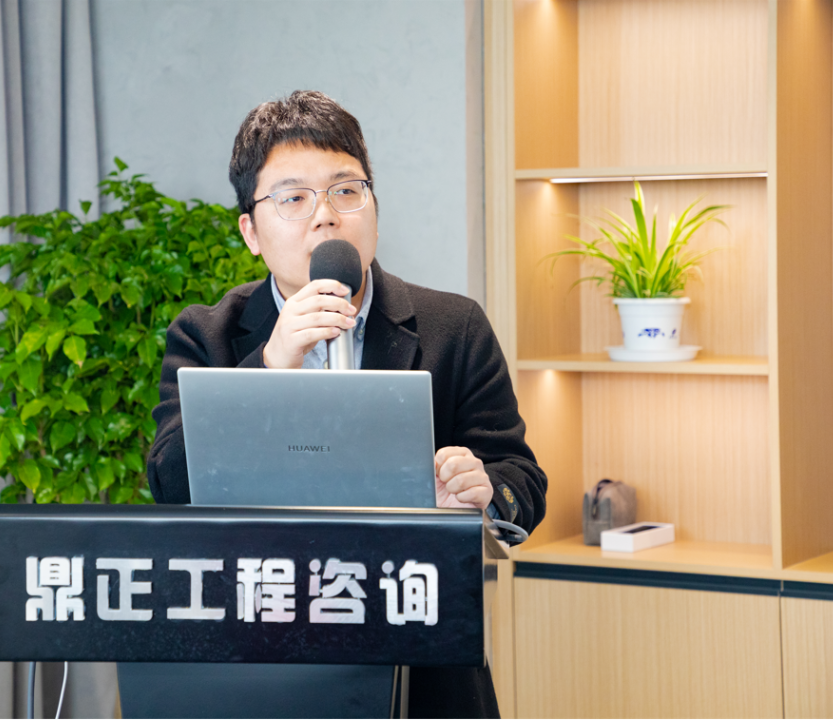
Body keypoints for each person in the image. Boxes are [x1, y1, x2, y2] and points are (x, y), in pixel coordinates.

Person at [147, 90, 547, 718]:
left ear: (375, 213)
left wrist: (484, 491)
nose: (325, 217)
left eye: (346, 190)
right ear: (251, 232)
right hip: (258, 654)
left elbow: (521, 478)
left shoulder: (454, 326)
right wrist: (273, 362)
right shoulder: (206, 336)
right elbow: (171, 486)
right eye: (293, 198)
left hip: (421, 656)